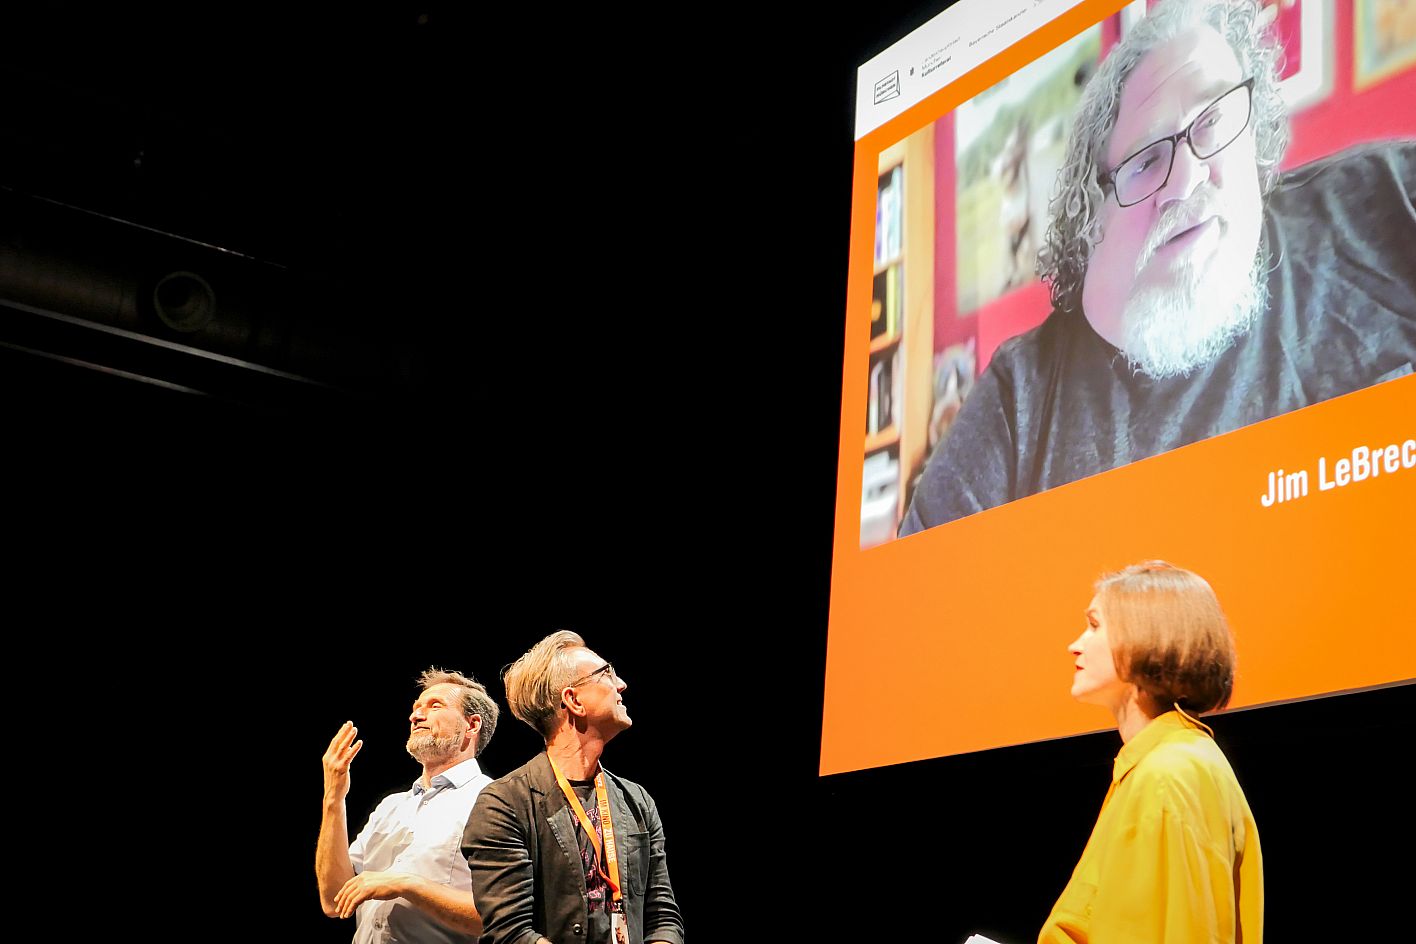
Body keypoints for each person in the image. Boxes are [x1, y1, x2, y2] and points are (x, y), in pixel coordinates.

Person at [900, 0, 1415, 535]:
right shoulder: (1019, 405)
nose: (1186, 179)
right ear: (1090, 211)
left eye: (1211, 121)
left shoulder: (1392, 200)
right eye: (1146, 160)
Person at [1039, 561, 1262, 943]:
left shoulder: (1167, 776)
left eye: (1094, 625)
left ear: (1146, 638)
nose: (1074, 644)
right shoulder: (1167, 764)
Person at [464, 630, 684, 944]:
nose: (621, 684)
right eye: (607, 673)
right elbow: (511, 932)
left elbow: (663, 916)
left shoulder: (637, 800)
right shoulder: (504, 803)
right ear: (573, 700)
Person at [316, 667, 499, 943]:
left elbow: (500, 917)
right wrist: (333, 798)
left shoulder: (491, 799)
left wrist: (406, 884)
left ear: (472, 725)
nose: (415, 716)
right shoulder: (390, 807)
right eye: (415, 709)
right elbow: (333, 900)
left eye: (435, 705)